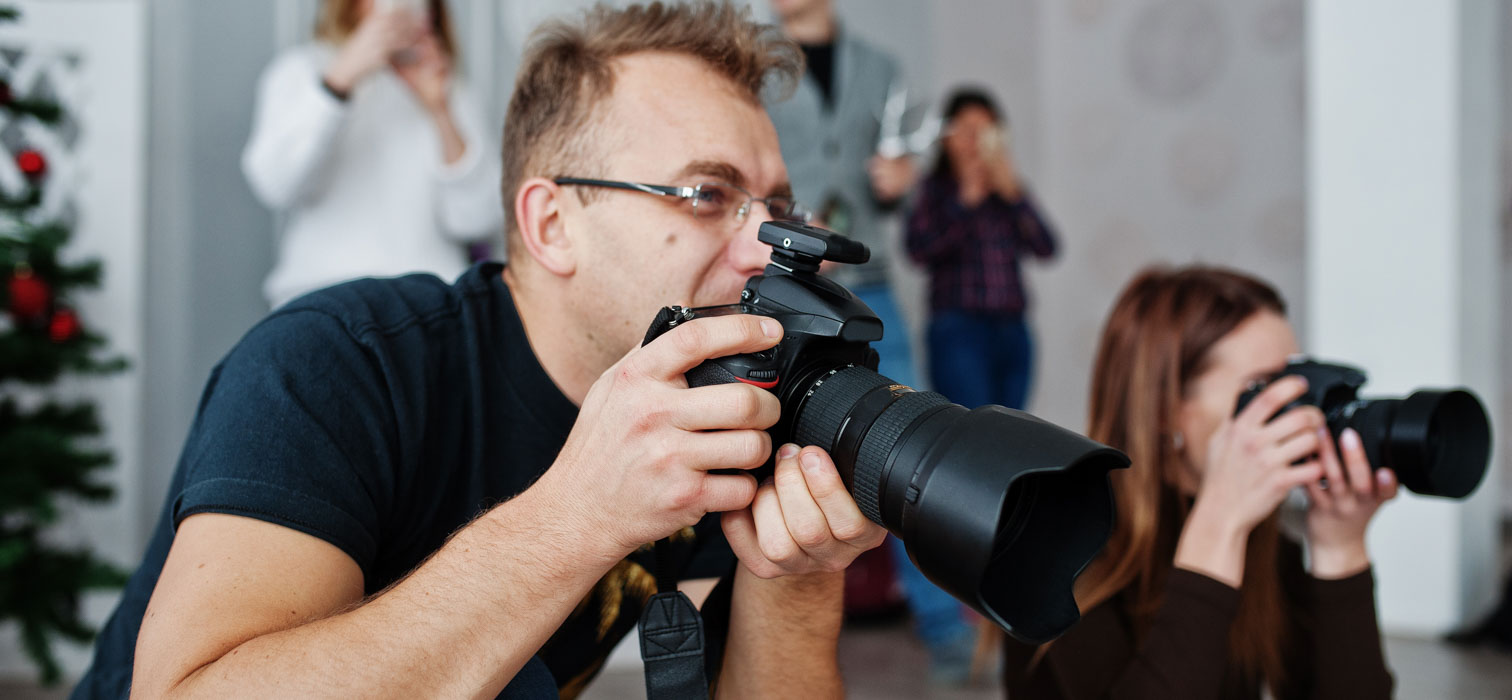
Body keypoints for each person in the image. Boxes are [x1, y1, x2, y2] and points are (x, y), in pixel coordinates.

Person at [73, 3, 887, 698]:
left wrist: (799, 575)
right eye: (708, 195)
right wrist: (577, 515)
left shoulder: (716, 415)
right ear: (551, 225)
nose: (765, 250)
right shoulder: (334, 363)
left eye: (777, 207)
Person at [1002, 266, 1396, 699]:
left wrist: (1340, 548)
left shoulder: (1266, 546)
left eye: (1295, 385)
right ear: (1165, 408)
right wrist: (1218, 526)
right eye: (1262, 388)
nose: (1297, 413)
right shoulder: (1054, 551)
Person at [764, 2, 977, 684]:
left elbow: (899, 170)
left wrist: (901, 184)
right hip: (791, 284)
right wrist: (785, 222)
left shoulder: (881, 68)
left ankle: (946, 627)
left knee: (915, 440)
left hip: (871, 279)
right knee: (775, 438)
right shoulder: (751, 63)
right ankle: (762, 641)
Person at [242, 0, 502, 309]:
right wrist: (341, 79)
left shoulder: (450, 90)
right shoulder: (303, 70)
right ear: (351, 6)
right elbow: (276, 183)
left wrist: (440, 111)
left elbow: (479, 218)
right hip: (321, 301)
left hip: (426, 306)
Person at [905, 88, 1056, 413]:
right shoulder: (933, 190)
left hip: (1013, 327)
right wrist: (966, 203)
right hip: (958, 329)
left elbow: (1047, 247)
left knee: (1012, 429)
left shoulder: (1008, 191)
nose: (975, 142)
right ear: (948, 138)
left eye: (985, 131)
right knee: (972, 430)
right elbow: (919, 251)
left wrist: (1016, 195)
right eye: (966, 131)